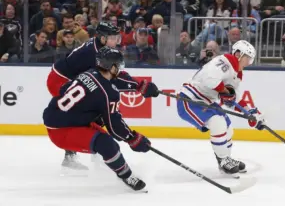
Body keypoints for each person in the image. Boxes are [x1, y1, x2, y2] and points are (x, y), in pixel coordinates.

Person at [46, 21, 159, 170]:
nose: (116, 41)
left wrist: (137, 85)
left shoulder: (100, 47)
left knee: (95, 110)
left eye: (117, 37)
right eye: (113, 38)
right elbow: (110, 79)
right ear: (103, 38)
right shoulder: (93, 54)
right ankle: (74, 155)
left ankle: (96, 149)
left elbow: (112, 75)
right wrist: (137, 85)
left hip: (67, 77)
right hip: (60, 80)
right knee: (88, 111)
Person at [43, 47, 150, 191]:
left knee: (100, 122)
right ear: (111, 67)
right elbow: (115, 127)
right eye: (118, 65)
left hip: (56, 115)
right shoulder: (108, 93)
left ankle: (109, 162)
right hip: (62, 130)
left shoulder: (89, 72)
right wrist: (133, 139)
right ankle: (126, 175)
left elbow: (110, 83)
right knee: (106, 144)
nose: (120, 69)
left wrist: (138, 86)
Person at [176, 40, 266, 175]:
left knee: (228, 127)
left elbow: (235, 99)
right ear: (238, 54)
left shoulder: (236, 73)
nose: (249, 63)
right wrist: (224, 91)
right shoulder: (224, 62)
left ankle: (225, 159)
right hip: (190, 99)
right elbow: (209, 79)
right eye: (248, 58)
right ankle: (224, 160)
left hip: (206, 101)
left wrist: (252, 113)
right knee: (218, 121)